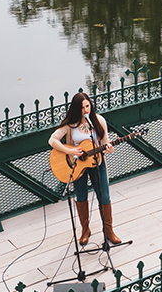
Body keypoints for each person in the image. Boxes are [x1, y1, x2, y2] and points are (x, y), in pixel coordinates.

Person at [49, 92, 121, 246]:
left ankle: (108, 230)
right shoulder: (70, 125)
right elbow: (52, 140)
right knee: (81, 197)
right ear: (76, 109)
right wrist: (70, 151)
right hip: (77, 166)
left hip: (97, 163)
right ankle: (85, 230)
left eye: (87, 106)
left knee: (105, 197)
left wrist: (109, 148)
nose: (85, 110)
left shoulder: (99, 121)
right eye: (82, 108)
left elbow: (105, 142)